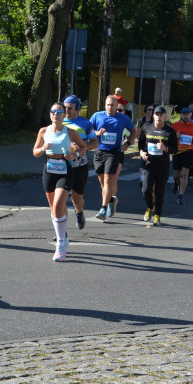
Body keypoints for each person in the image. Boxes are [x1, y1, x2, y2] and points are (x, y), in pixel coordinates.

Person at [34, 102, 87, 261]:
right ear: (50, 115)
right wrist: (43, 148)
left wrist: (75, 155)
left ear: (64, 115)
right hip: (49, 170)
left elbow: (84, 147)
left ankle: (61, 244)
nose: (56, 114)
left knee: (58, 205)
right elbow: (35, 152)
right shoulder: (44, 131)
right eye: (53, 111)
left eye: (59, 111)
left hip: (65, 170)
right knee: (53, 208)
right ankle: (63, 237)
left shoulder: (70, 132)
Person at [88, 94, 137, 221]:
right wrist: (97, 133)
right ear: (105, 105)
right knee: (102, 182)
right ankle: (111, 200)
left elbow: (134, 131)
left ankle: (103, 208)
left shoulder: (123, 118)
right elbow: (87, 130)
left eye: (112, 105)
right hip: (99, 151)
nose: (110, 107)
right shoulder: (97, 116)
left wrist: (127, 144)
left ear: (117, 106)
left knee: (109, 180)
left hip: (114, 152)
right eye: (108, 105)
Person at [62, 95, 98, 230]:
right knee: (59, 201)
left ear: (77, 109)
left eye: (70, 108)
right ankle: (61, 231)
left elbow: (95, 142)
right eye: (64, 108)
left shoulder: (86, 124)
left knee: (76, 199)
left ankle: (79, 212)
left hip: (79, 165)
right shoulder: (59, 122)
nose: (66, 111)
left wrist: (83, 147)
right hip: (61, 166)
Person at [138, 107, 178, 226]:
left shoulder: (170, 131)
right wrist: (141, 152)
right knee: (146, 190)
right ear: (153, 116)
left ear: (165, 117)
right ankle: (150, 207)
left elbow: (175, 149)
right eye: (157, 114)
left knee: (160, 192)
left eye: (161, 115)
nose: (159, 117)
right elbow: (140, 142)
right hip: (149, 165)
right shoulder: (147, 128)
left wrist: (165, 148)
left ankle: (157, 215)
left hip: (163, 167)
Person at [170, 107, 193, 204]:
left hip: (188, 151)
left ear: (190, 115)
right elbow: (169, 137)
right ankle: (176, 182)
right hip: (177, 152)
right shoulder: (175, 125)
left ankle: (181, 195)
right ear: (181, 115)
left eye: (187, 114)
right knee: (176, 174)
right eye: (184, 114)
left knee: (185, 173)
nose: (186, 116)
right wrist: (175, 136)